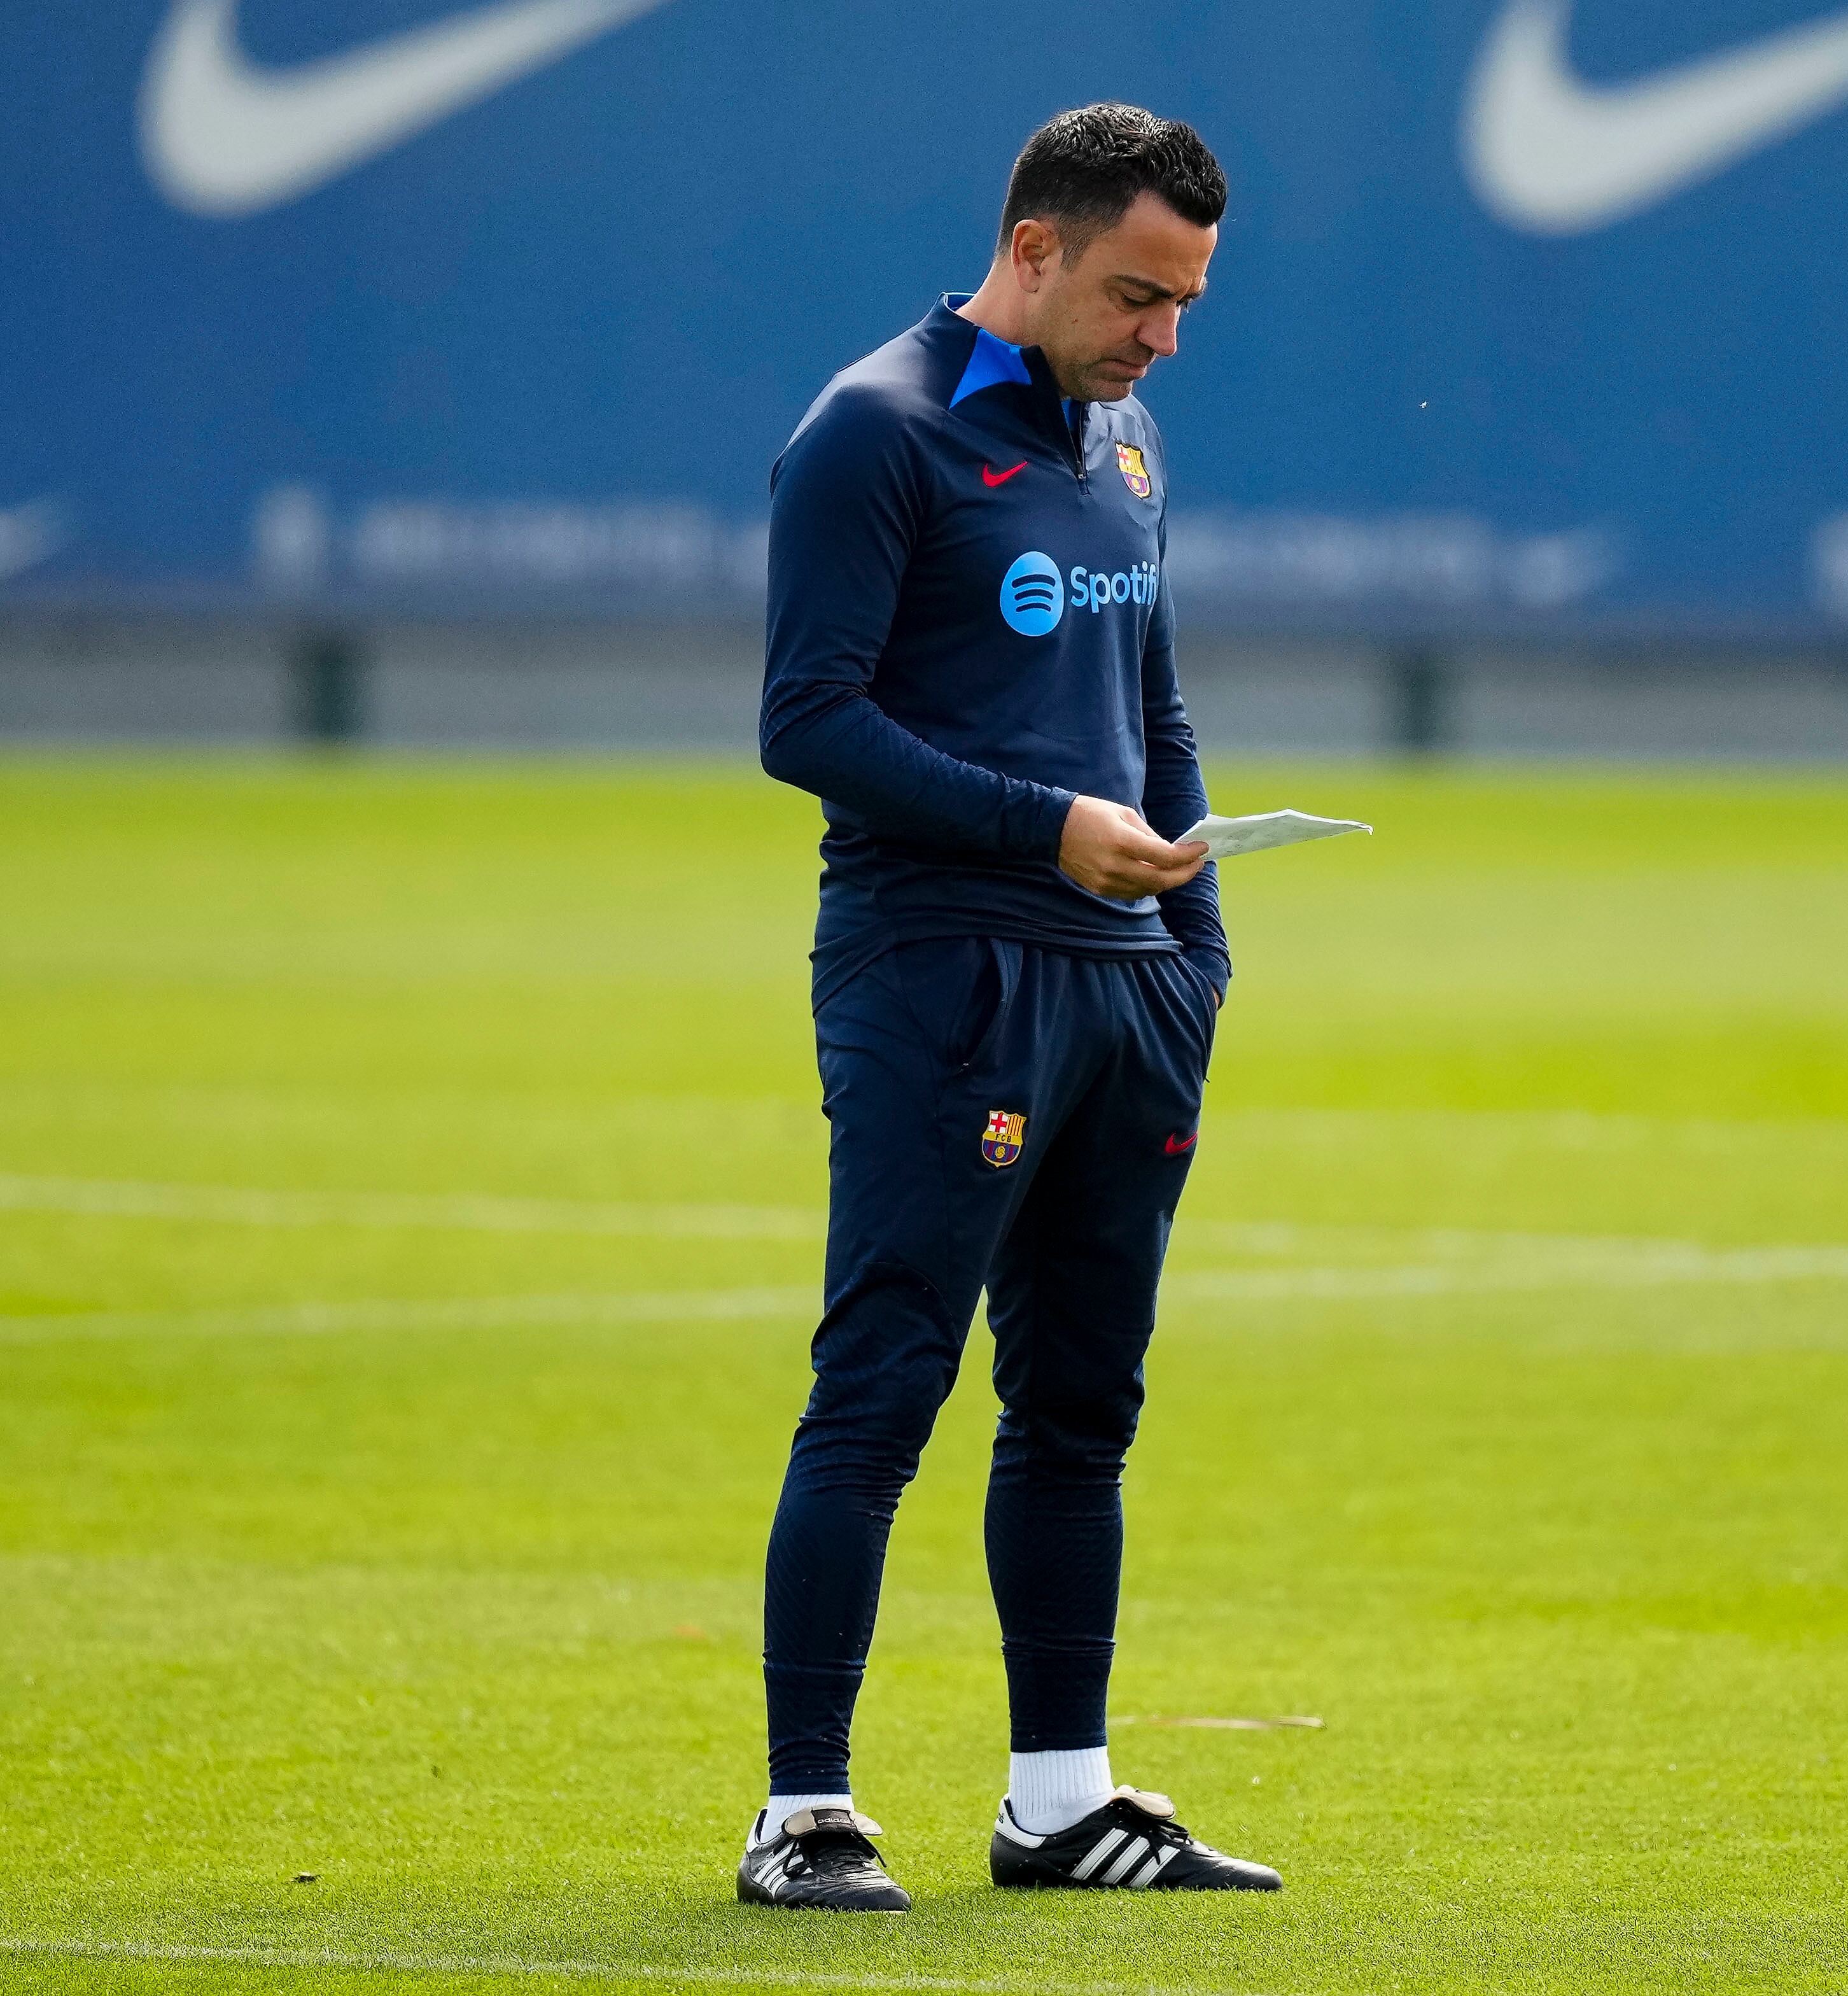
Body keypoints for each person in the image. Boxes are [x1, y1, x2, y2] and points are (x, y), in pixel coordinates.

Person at [740, 102, 1278, 1909]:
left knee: (1082, 1409)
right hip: (943, 975)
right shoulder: (871, 435)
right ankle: (804, 1811)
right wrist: (1044, 827)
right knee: (882, 1385)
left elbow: (1157, 702)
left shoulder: (1123, 440)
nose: (1162, 337)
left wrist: (1201, 954)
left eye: (1188, 302)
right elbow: (803, 722)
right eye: (1139, 292)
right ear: (1032, 249)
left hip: (1130, 990)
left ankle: (1063, 1800)